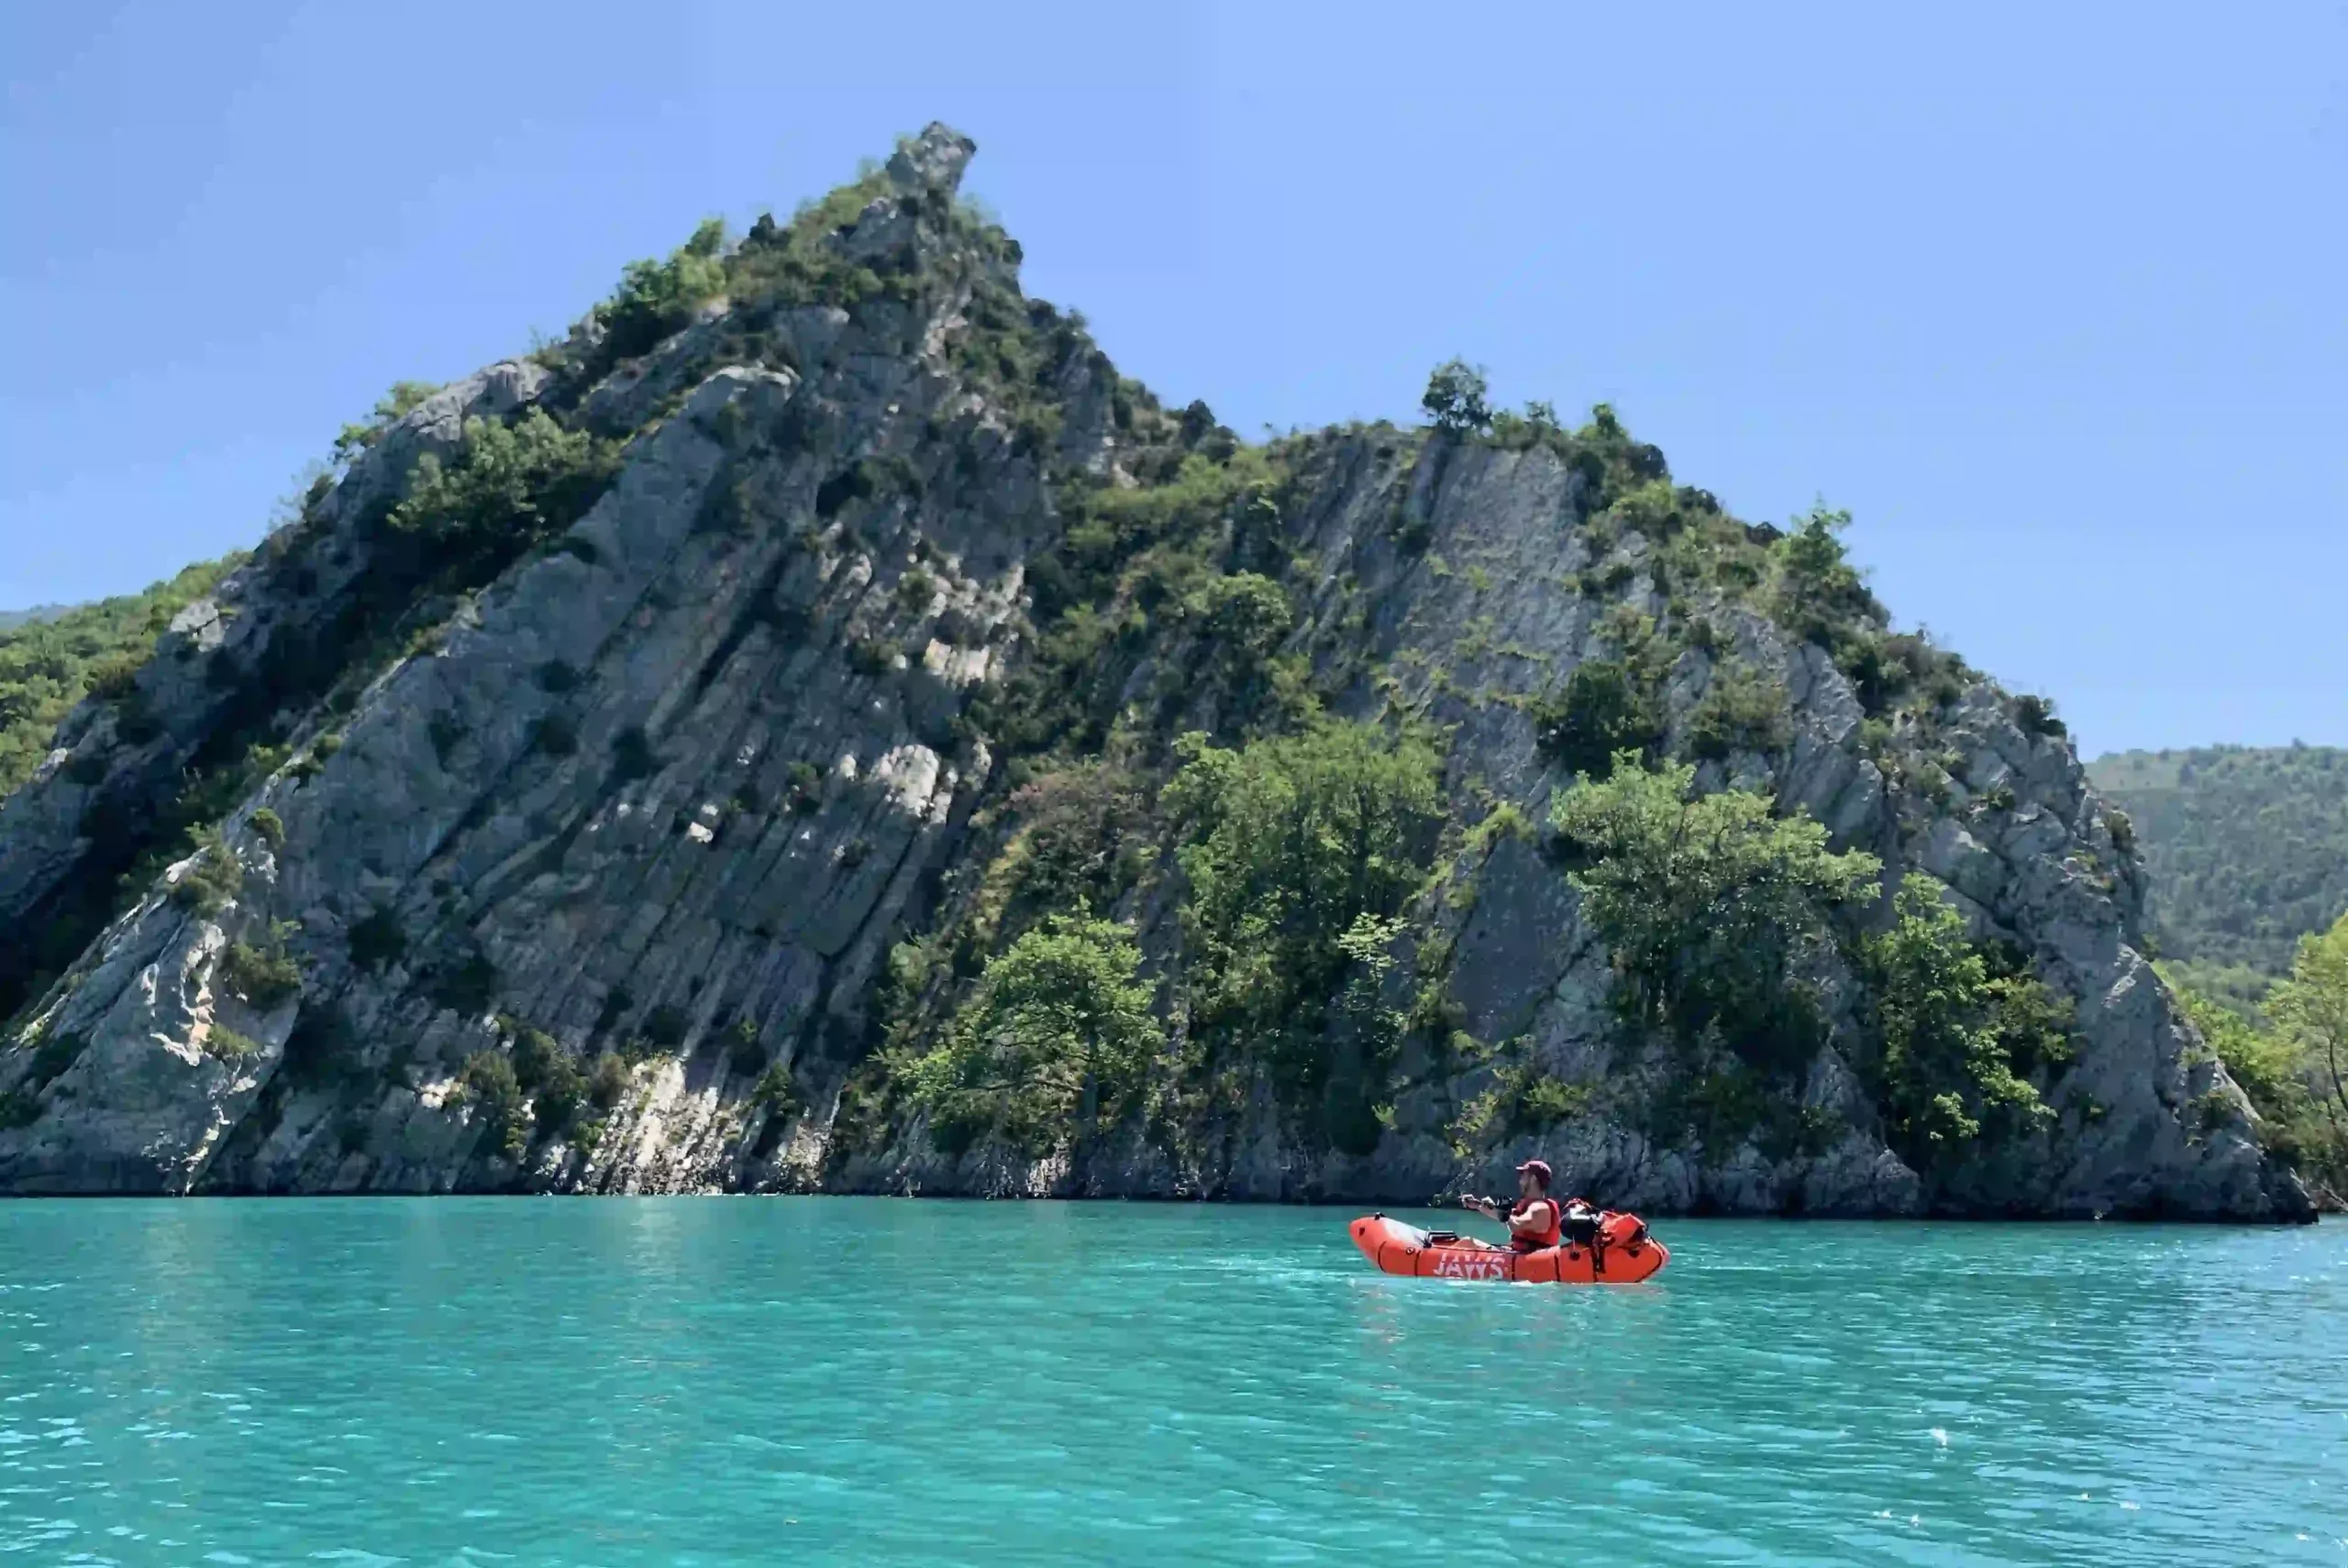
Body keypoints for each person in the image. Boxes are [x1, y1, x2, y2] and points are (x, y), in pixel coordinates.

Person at [1461, 1160, 1589, 1252]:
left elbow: (1516, 1225)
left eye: (1523, 1176)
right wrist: (1477, 1205)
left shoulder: (1540, 1207)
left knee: (1467, 1242)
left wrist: (1503, 1214)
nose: (1520, 1180)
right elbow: (1507, 1218)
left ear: (1533, 1179)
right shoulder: (1533, 1205)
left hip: (1530, 1260)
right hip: (1518, 1253)